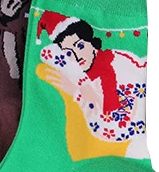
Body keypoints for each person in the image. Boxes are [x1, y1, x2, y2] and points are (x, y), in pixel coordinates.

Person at [36, 11, 148, 158]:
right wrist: (81, 89)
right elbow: (47, 53)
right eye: (68, 53)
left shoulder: (117, 61)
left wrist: (80, 91)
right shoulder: (80, 79)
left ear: (91, 42)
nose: (77, 56)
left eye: (80, 46)